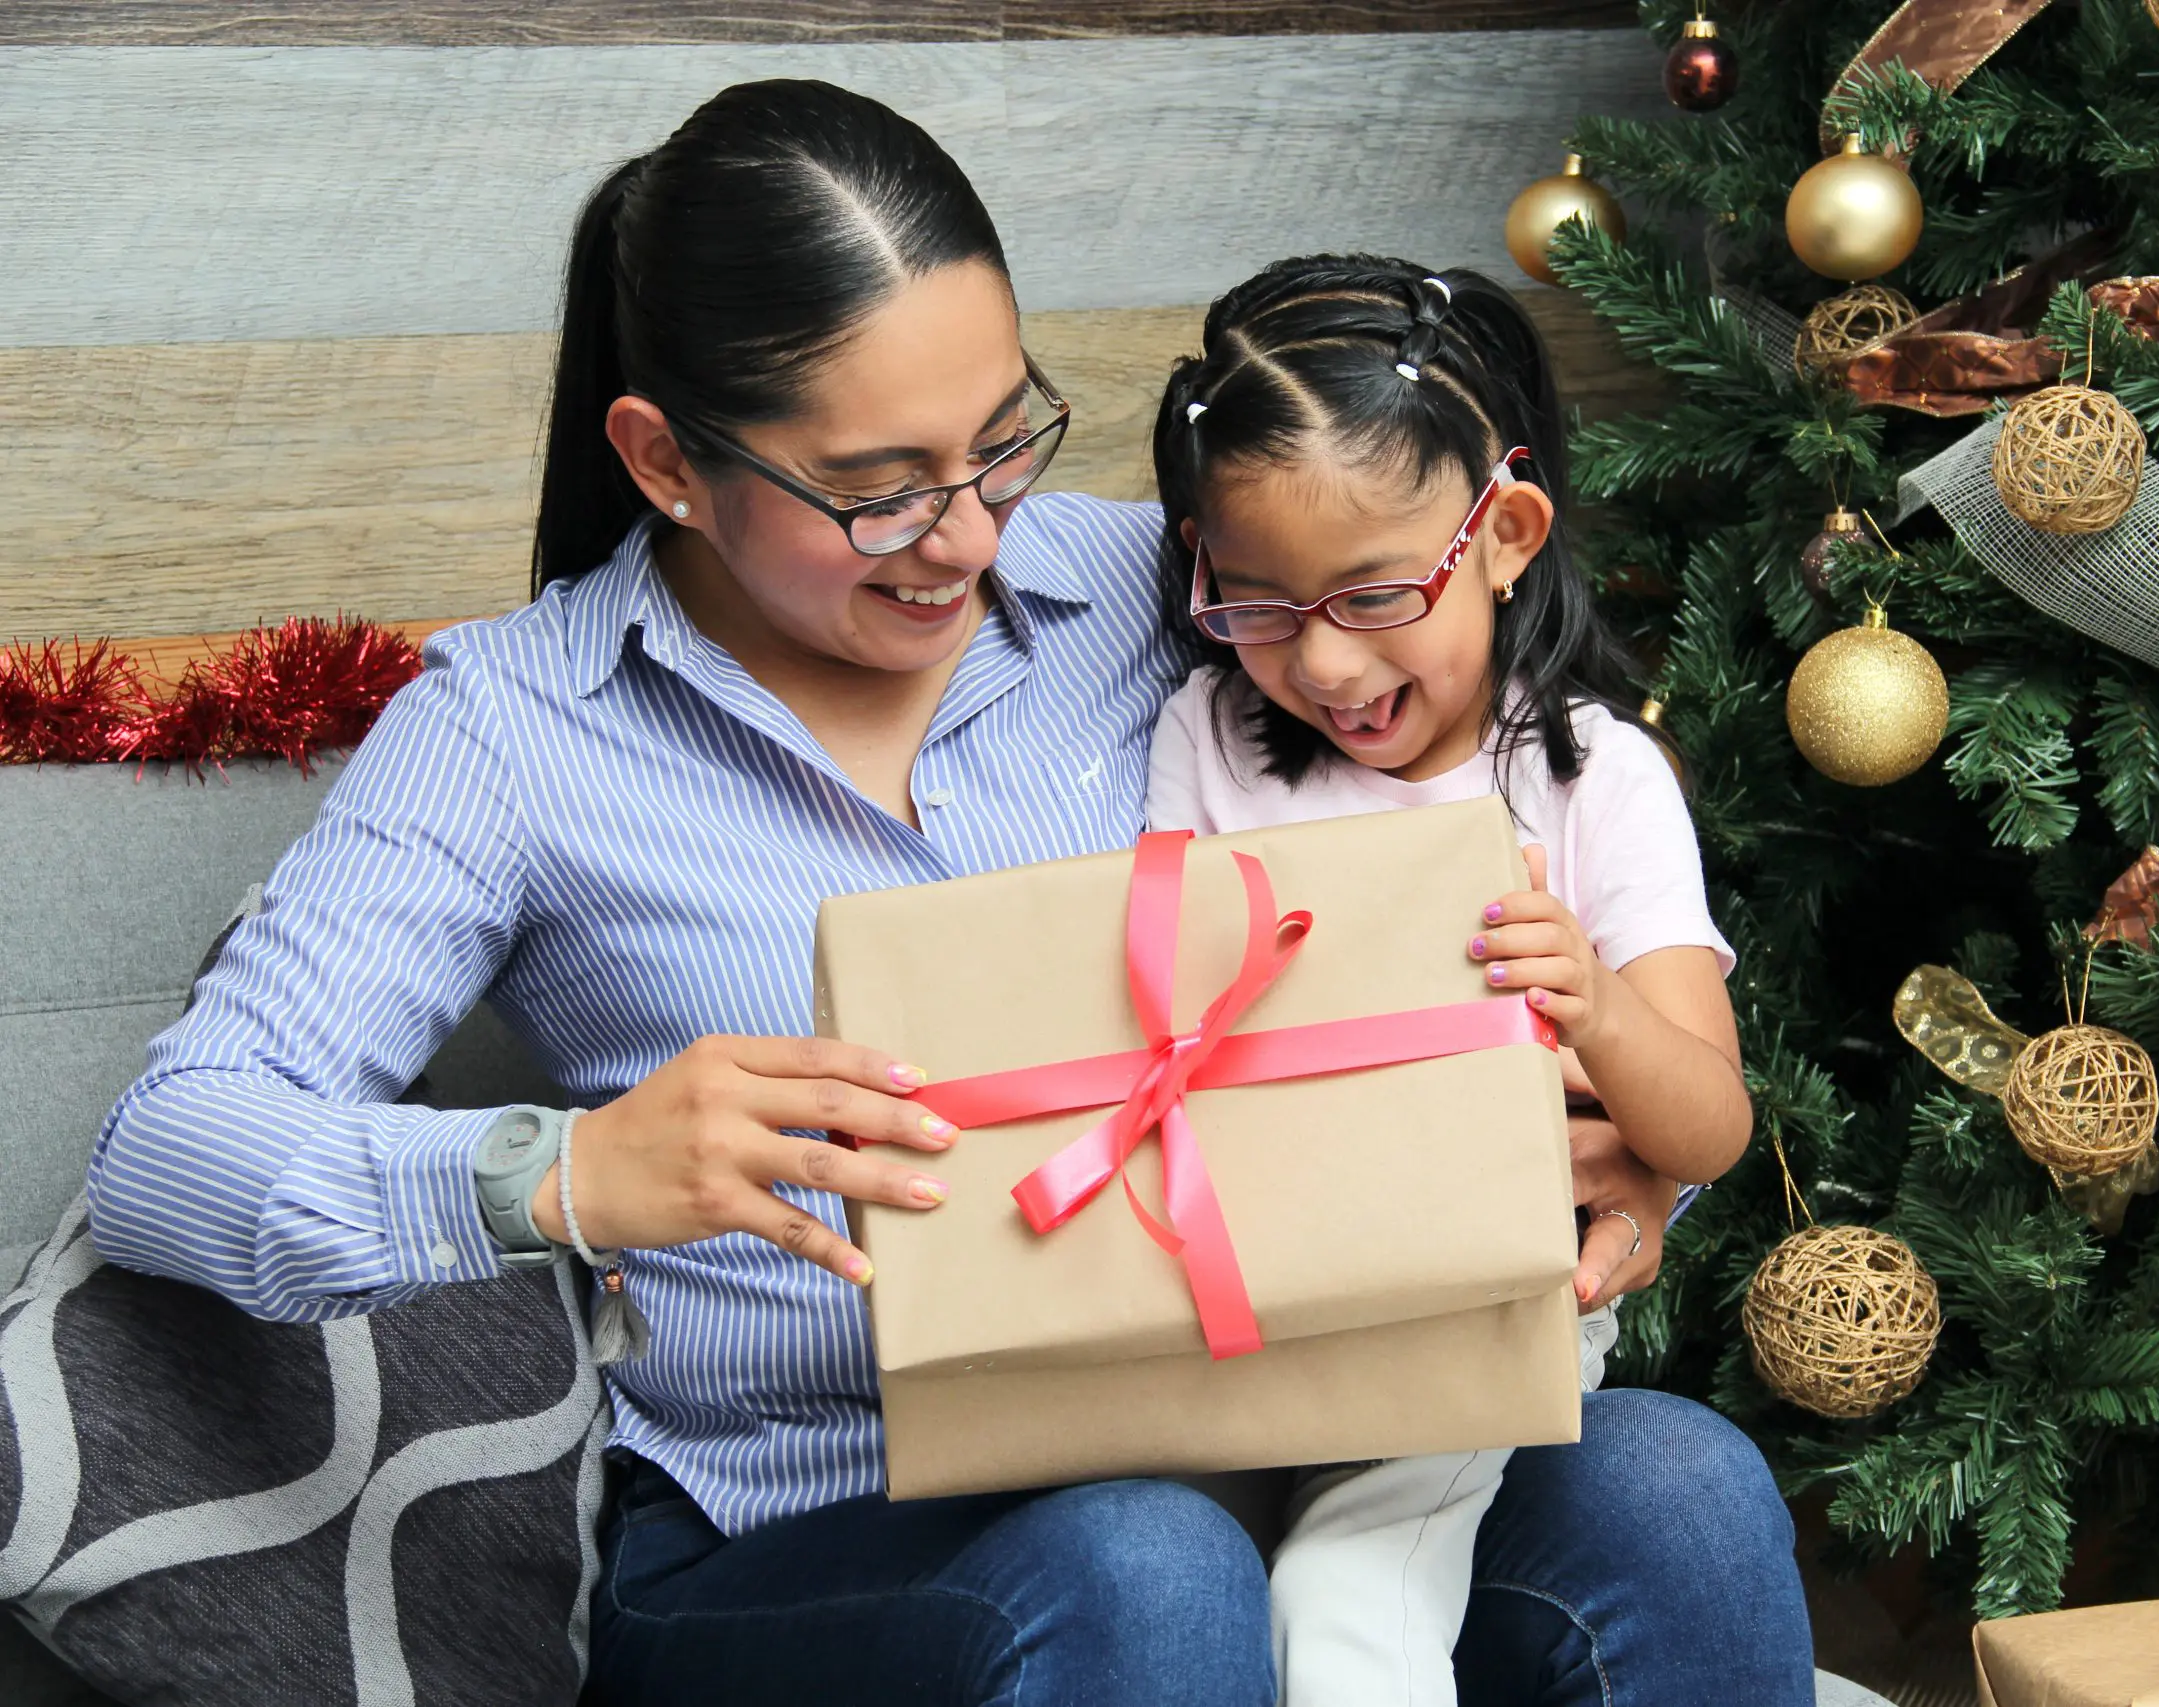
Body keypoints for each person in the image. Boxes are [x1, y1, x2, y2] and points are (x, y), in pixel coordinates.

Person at [85, 79, 1814, 1705]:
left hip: (1307, 1429)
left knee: (1677, 1482)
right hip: (812, 1532)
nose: (973, 534)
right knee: (1146, 1567)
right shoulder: (510, 729)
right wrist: (577, 1170)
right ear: (667, 459)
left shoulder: (1180, 591)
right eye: (880, 490)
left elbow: (1462, 775)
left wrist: (1605, 1166)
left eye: (1005, 442)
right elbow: (177, 1149)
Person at [1146, 256, 1761, 1707]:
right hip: (1255, 1293)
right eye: (1257, 603)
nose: (1323, 658)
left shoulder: (1595, 781)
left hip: (1478, 1312)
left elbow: (1711, 1128)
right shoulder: (1210, 734)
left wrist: (1597, 1006)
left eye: (1373, 593)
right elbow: (1160, 1006)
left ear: (1507, 532)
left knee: (1343, 1599)